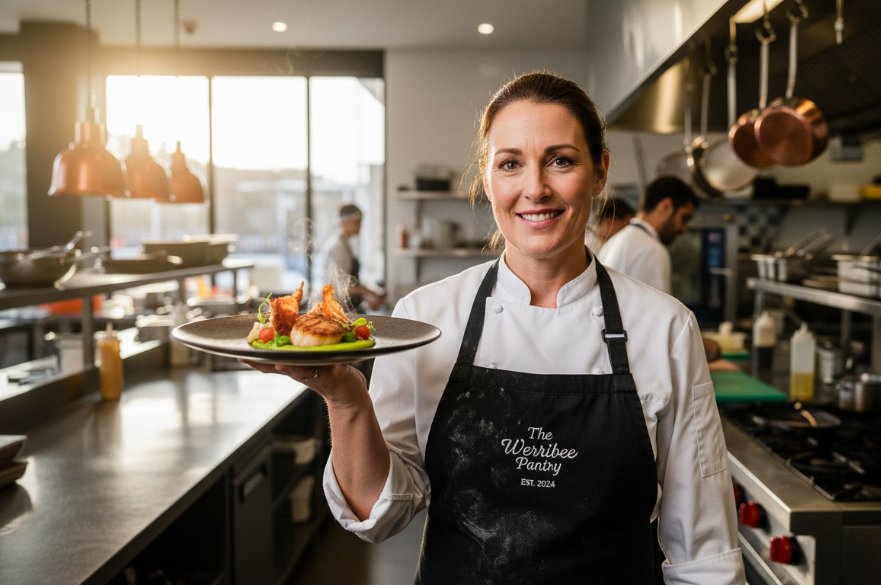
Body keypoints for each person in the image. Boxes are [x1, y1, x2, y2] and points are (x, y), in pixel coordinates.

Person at [247, 71, 743, 584]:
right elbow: (379, 512)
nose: (535, 188)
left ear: (599, 173)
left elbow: (703, 552)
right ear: (487, 178)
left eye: (561, 160)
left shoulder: (664, 328)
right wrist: (347, 399)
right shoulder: (427, 318)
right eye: (510, 164)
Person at [598, 176, 723, 363]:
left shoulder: (620, 239)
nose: (684, 229)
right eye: (684, 218)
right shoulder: (651, 249)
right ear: (666, 206)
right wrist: (701, 345)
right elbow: (661, 326)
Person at [323, 203, 385, 311]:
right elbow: (339, 286)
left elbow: (351, 280)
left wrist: (369, 295)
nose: (360, 226)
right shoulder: (338, 247)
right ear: (346, 222)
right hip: (340, 309)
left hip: (349, 306)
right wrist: (368, 293)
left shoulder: (346, 244)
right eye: (357, 222)